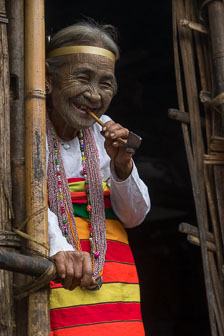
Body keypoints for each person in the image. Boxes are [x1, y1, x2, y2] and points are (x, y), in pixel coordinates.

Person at [46, 19, 150, 336]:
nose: (94, 95)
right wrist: (56, 245)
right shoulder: (25, 130)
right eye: (82, 78)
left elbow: (134, 217)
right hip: (58, 272)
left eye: (105, 84)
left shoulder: (105, 132)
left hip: (117, 286)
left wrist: (122, 167)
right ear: (48, 80)